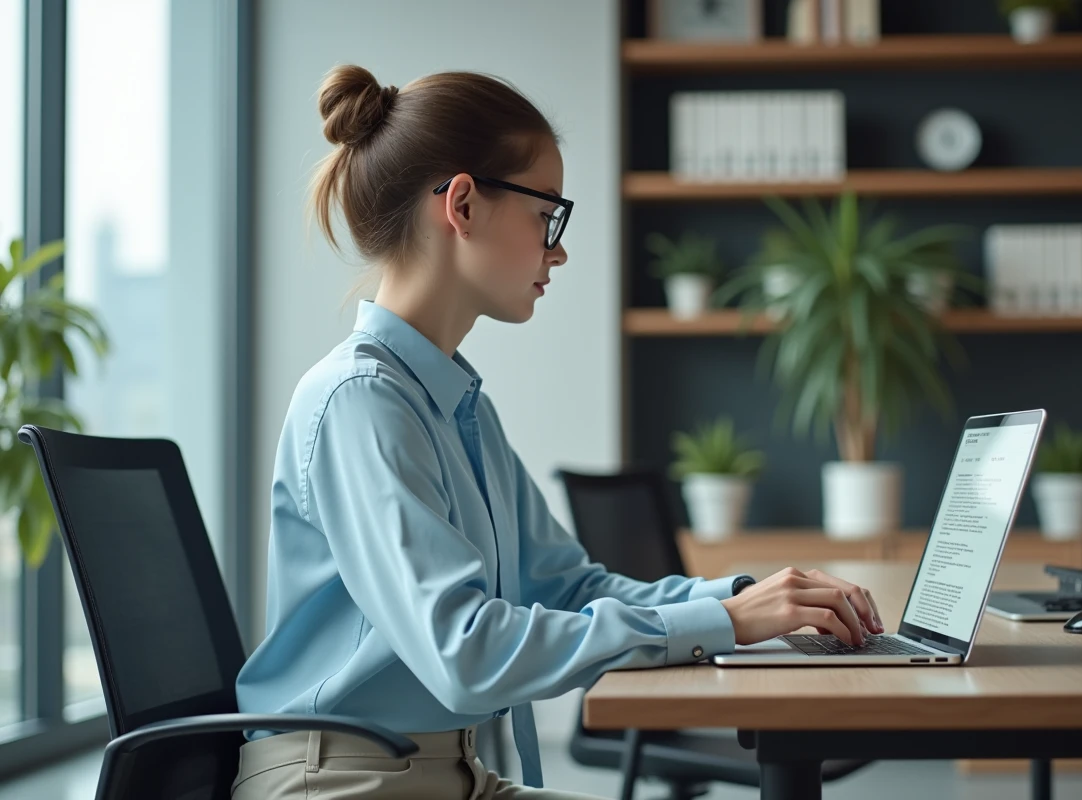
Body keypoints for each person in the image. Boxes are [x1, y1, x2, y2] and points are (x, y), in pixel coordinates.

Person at [232, 64, 884, 800]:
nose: (559, 249)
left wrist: (743, 598)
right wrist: (727, 621)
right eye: (549, 215)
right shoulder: (362, 402)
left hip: (440, 774)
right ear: (465, 204)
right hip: (344, 784)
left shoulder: (453, 402)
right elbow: (466, 653)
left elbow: (571, 588)